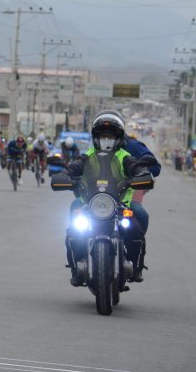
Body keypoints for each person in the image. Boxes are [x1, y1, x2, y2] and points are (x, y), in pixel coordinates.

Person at [63, 111, 157, 285]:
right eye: (103, 136)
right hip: (90, 203)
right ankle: (76, 268)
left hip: (121, 204)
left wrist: (141, 174)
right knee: (74, 228)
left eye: (111, 136)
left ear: (119, 138)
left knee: (136, 224)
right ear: (96, 138)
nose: (107, 140)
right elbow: (74, 168)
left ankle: (136, 265)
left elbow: (137, 168)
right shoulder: (87, 157)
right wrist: (65, 175)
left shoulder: (124, 157)